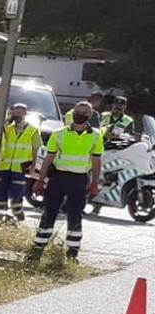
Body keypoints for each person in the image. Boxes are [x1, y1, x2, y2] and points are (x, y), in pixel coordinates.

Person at [31, 100, 105, 261]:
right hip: (58, 177)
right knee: (49, 211)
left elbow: (96, 161)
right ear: (72, 113)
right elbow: (48, 159)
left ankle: (72, 252)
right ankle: (37, 248)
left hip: (79, 179)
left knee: (75, 214)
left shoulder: (96, 136)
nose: (80, 115)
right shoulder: (59, 133)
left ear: (90, 116)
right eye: (78, 112)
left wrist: (94, 182)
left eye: (84, 113)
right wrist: (40, 180)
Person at [0, 103, 41, 221]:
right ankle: (1, 214)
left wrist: (33, 166)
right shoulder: (7, 128)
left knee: (17, 192)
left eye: (20, 113)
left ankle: (18, 214)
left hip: (20, 168)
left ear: (25, 114)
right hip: (4, 166)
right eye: (15, 112)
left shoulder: (33, 130)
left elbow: (36, 148)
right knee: (1, 191)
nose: (17, 115)